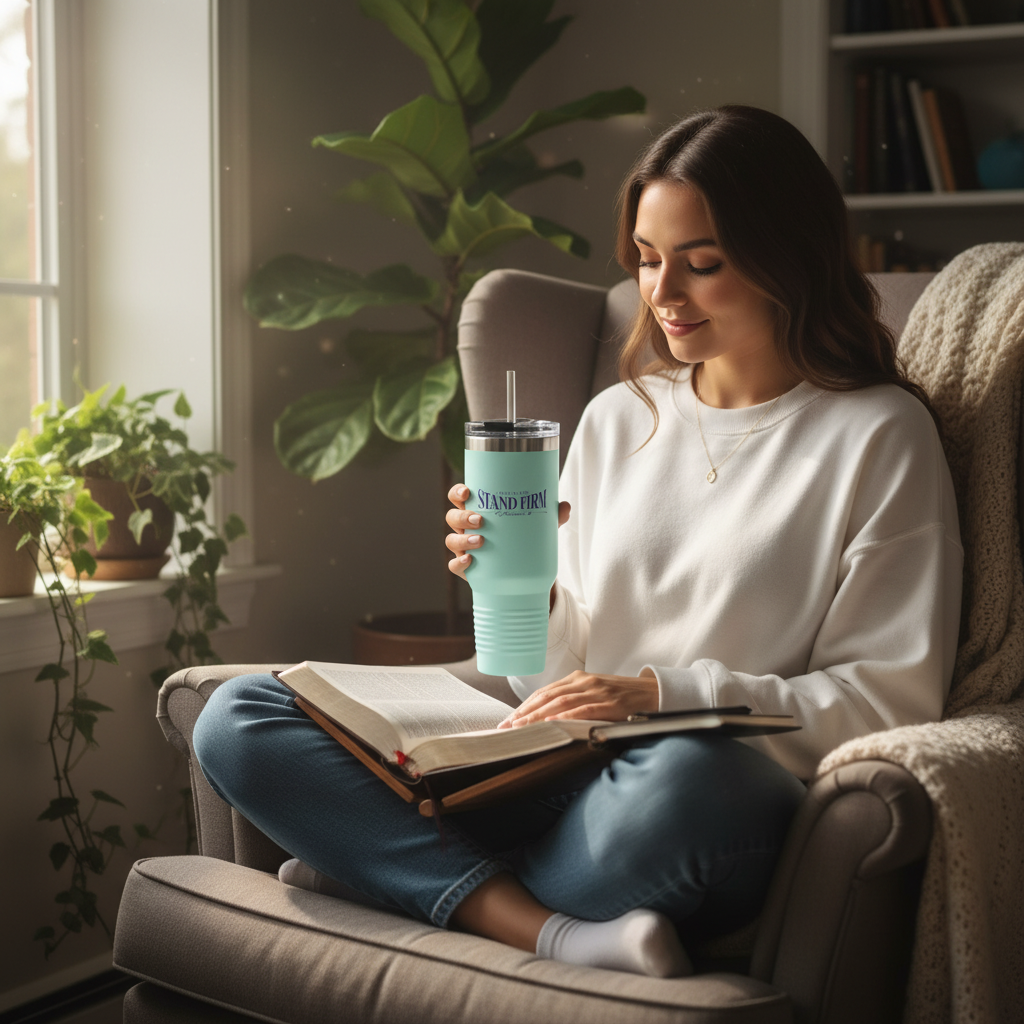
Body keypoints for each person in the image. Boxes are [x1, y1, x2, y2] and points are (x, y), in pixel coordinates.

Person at [193, 106, 962, 979]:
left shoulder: (879, 434)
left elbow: (890, 703)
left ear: (789, 257)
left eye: (701, 265)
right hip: (548, 780)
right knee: (241, 715)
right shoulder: (614, 420)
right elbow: (544, 682)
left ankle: (384, 874)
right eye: (645, 260)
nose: (661, 295)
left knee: (694, 781)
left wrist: (653, 696)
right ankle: (538, 925)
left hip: (696, 794)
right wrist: (522, 594)